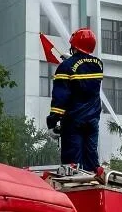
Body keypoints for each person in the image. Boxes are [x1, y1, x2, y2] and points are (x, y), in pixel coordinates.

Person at [46, 28, 103, 172]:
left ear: (74, 45)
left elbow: (60, 98)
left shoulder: (65, 67)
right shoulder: (98, 64)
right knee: (91, 161)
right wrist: (72, 61)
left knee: (72, 165)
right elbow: (83, 70)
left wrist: (52, 122)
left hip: (73, 122)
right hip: (92, 121)